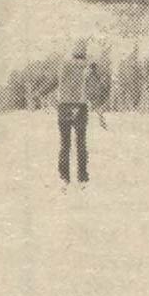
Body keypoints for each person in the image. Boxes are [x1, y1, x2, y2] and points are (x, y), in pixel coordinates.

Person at [41, 40, 111, 189]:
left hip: (64, 107)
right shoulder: (90, 66)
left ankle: (64, 179)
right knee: (81, 143)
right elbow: (95, 89)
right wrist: (99, 110)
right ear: (84, 52)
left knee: (64, 144)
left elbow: (52, 83)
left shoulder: (62, 65)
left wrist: (40, 95)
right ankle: (82, 179)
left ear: (73, 52)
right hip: (80, 107)